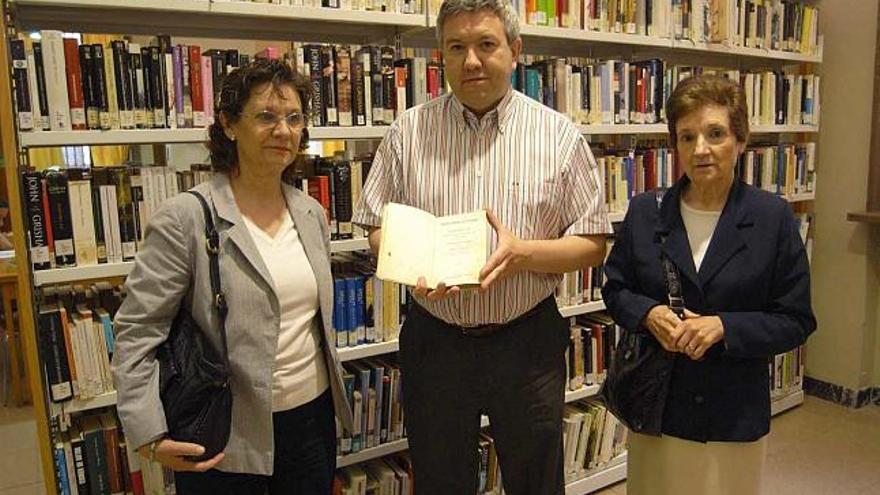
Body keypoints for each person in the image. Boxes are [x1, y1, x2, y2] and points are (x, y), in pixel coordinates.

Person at [352, 1, 611, 493]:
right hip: (437, 340)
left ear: (514, 51)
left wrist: (524, 255)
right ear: (441, 57)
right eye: (457, 47)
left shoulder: (558, 136)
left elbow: (593, 242)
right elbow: (374, 224)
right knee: (440, 478)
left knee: (536, 479)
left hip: (526, 341)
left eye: (486, 44)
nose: (471, 60)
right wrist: (411, 264)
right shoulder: (407, 133)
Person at [111, 58, 353, 495]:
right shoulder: (184, 218)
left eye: (294, 118)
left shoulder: (311, 213)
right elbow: (137, 330)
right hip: (224, 430)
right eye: (265, 116)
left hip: (311, 423)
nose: (283, 131)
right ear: (228, 125)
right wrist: (149, 434)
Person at [601, 74, 817, 495]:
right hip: (658, 409)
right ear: (675, 146)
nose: (700, 149)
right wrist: (648, 314)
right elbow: (616, 289)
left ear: (740, 140)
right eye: (687, 137)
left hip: (732, 413)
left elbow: (796, 319)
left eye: (715, 133)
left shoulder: (772, 218)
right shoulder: (647, 211)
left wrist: (725, 327)